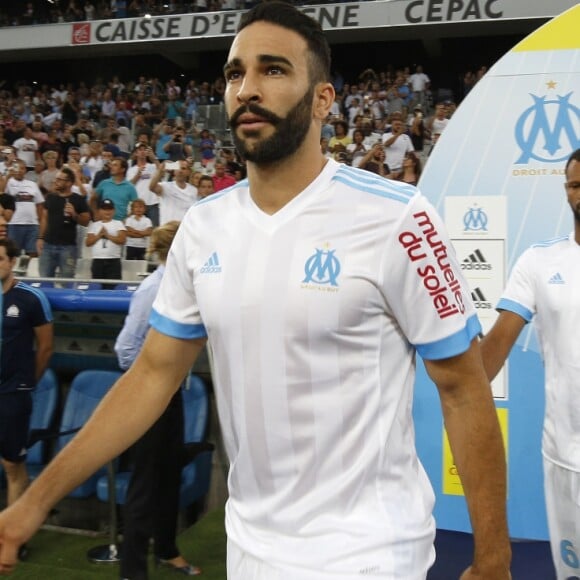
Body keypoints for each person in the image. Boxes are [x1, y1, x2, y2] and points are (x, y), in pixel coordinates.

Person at [0, 4, 511, 579]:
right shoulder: (203, 225)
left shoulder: (397, 217)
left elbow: (464, 389)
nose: (246, 89)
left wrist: (493, 558)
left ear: (322, 99)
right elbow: (151, 376)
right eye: (234, 73)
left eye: (273, 70)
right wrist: (33, 503)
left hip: (369, 552)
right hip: (250, 550)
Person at [480, 148, 580, 580]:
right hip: (564, 455)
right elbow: (494, 348)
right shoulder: (540, 262)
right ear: (566, 192)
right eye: (576, 184)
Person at [114, 221, 201, 579]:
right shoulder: (152, 288)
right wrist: (153, 382)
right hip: (150, 398)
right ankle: (132, 571)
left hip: (172, 396)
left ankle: (167, 549)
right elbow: (125, 349)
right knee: (145, 483)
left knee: (168, 476)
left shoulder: (182, 285)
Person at [0, 238, 53, 558]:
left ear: (13, 261)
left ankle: (13, 537)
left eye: (1, 259)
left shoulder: (31, 298)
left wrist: (27, 383)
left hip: (13, 395)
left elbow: (45, 347)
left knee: (12, 466)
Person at [38, 166, 91, 278]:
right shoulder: (50, 197)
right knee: (44, 280)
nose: (55, 181)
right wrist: (40, 238)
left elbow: (86, 221)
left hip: (68, 247)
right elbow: (44, 218)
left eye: (59, 179)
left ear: (69, 183)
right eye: (56, 179)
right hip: (48, 245)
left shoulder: (78, 199)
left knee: (67, 282)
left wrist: (74, 215)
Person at [85, 198, 126, 282]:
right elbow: (88, 242)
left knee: (113, 287)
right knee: (97, 286)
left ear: (114, 210)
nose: (107, 212)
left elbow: (122, 240)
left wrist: (107, 235)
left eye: (110, 209)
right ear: (99, 211)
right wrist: (99, 235)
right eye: (104, 209)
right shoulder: (94, 225)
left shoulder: (118, 223)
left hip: (113, 261)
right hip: (97, 261)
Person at [149, 160, 198, 224]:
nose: (180, 171)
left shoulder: (194, 190)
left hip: (184, 228)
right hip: (167, 229)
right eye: (177, 168)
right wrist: (161, 169)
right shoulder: (165, 186)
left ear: (188, 172)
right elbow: (152, 187)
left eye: (183, 168)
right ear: (174, 171)